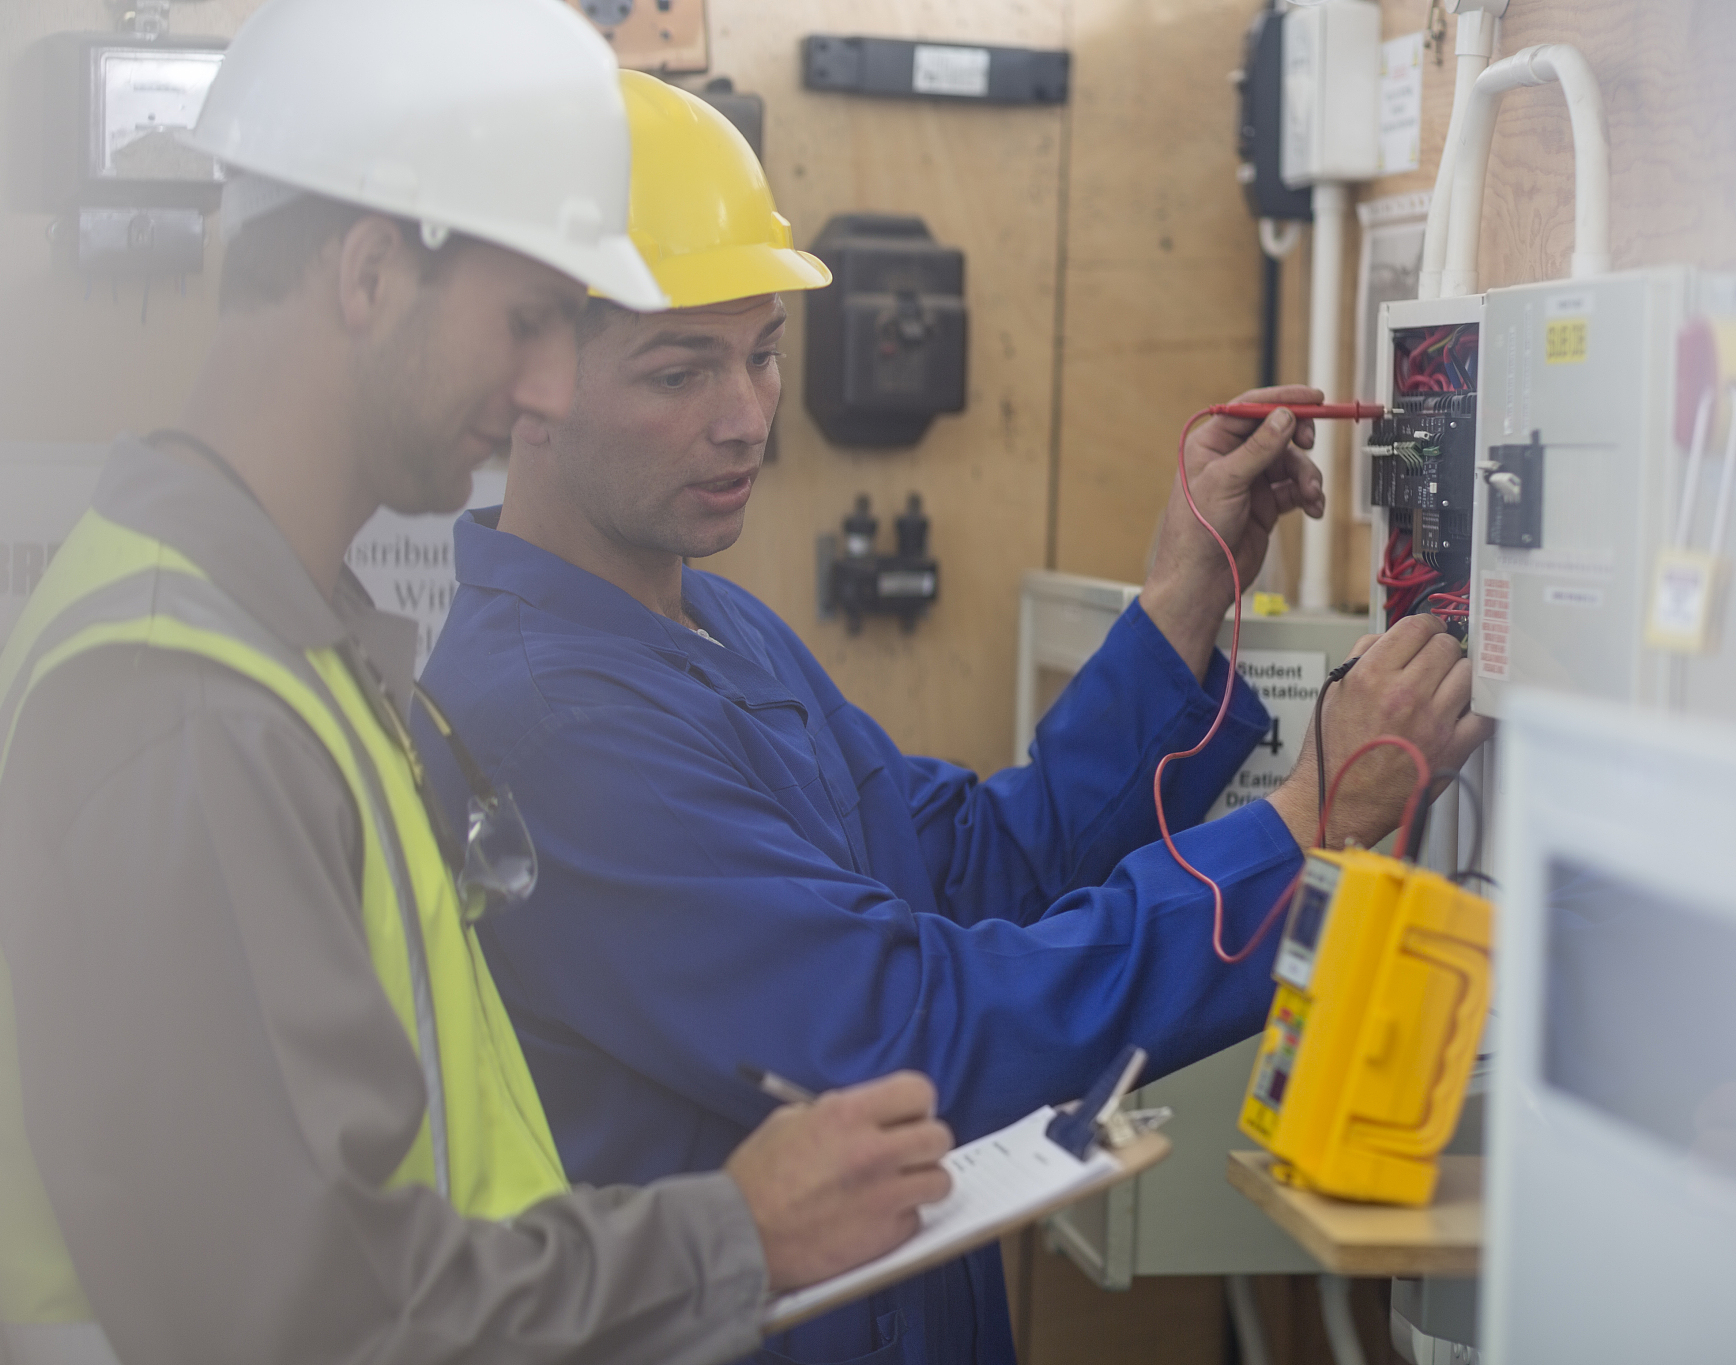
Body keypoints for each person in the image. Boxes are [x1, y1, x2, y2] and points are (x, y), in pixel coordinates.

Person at [0, 6, 956, 1365]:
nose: (548, 387)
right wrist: (735, 1234)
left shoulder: (281, 646)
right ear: (369, 274)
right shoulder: (188, 707)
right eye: (528, 320)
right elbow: (321, 1318)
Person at [419, 72, 1490, 1365]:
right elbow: (908, 1031)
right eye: (678, 370)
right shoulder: (552, 725)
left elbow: (978, 863)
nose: (746, 415)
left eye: (761, 353)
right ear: (531, 382)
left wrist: (1177, 610)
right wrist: (1307, 827)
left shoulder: (710, 624)